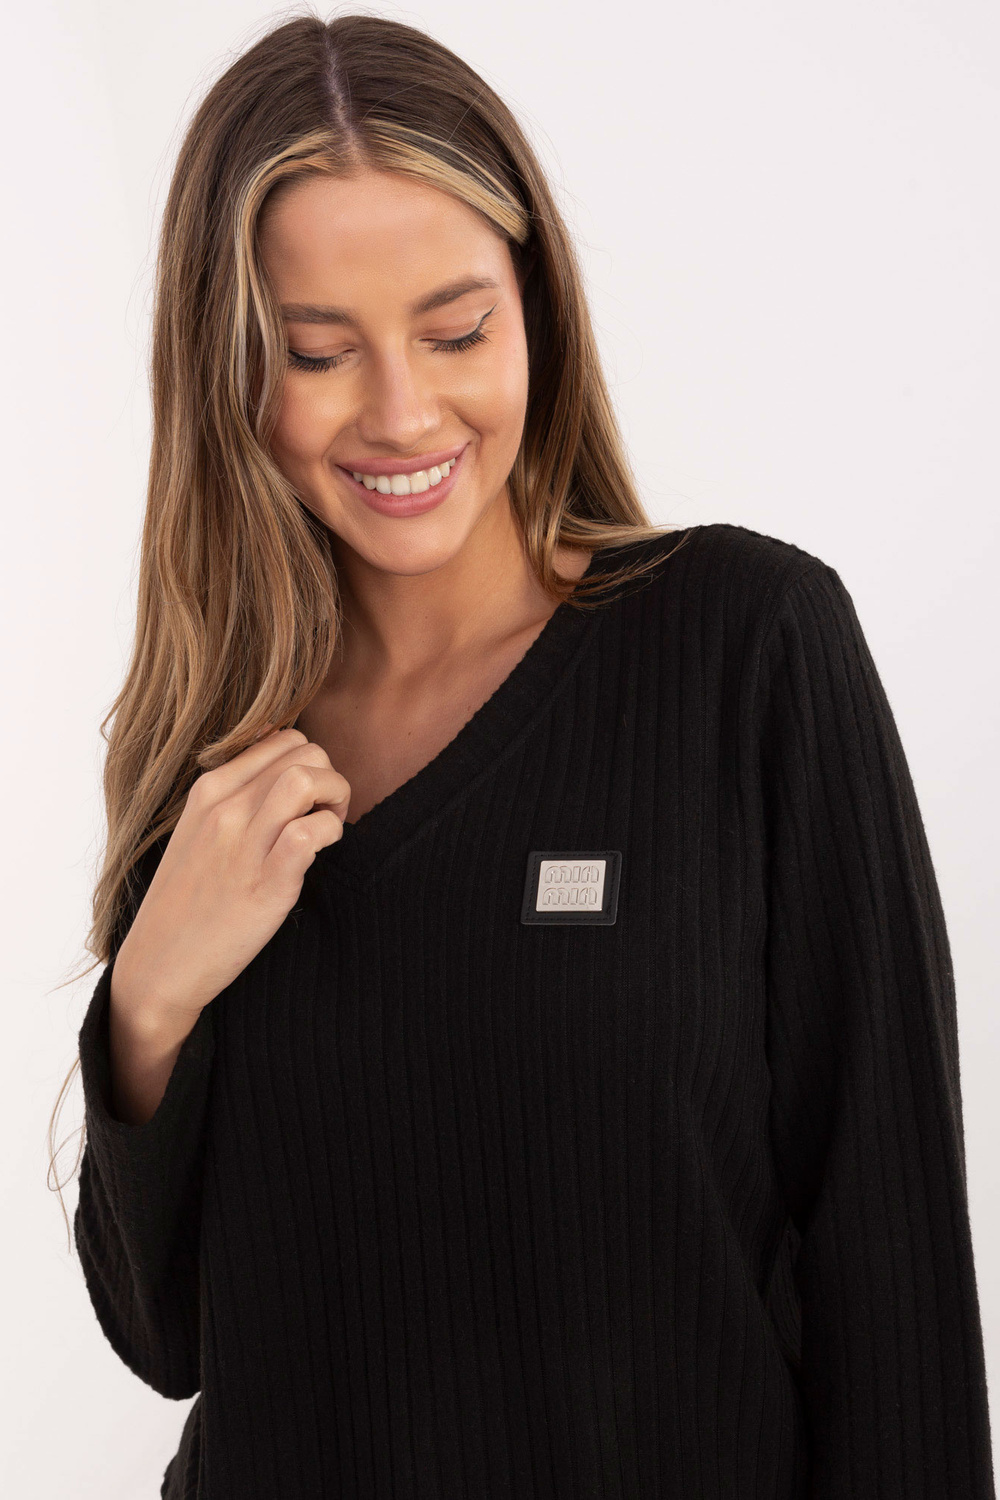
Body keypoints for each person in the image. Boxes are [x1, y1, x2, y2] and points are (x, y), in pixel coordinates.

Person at [62, 13, 995, 1499]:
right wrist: (150, 1000)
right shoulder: (222, 764)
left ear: (537, 314)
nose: (402, 412)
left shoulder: (746, 648)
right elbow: (164, 1338)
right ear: (230, 368)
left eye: (456, 331)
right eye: (318, 352)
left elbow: (897, 1286)